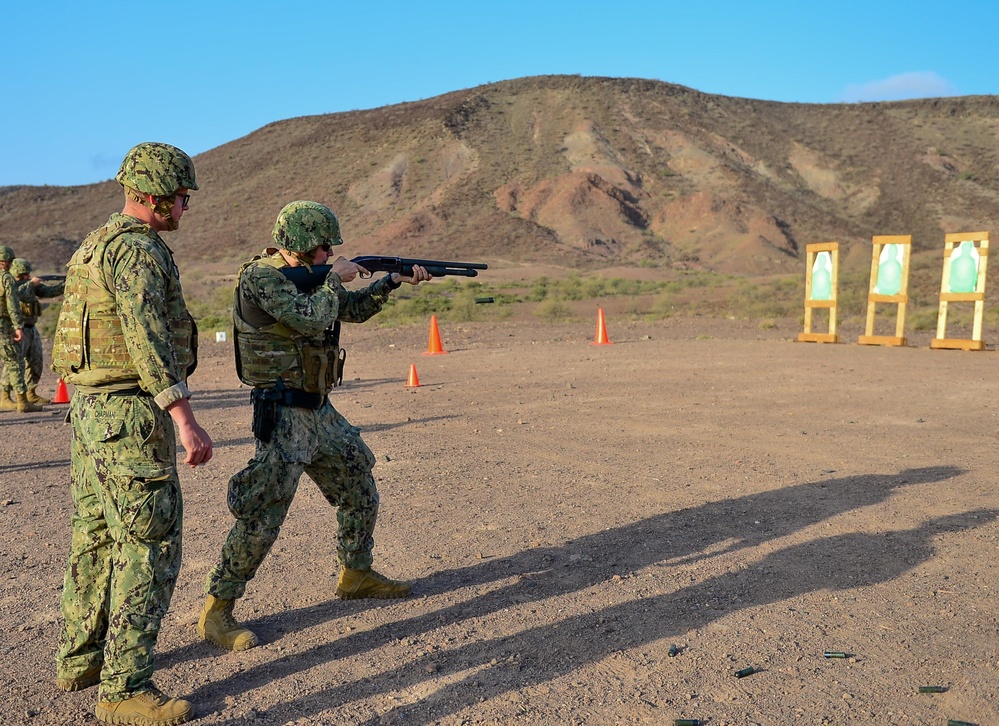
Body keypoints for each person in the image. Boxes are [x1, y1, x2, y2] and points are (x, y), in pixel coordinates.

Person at [197, 200, 430, 652]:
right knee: (264, 511)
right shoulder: (260, 277)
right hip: (283, 412)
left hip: (317, 409)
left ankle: (355, 573)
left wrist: (390, 283)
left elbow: (351, 310)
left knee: (358, 477)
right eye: (324, 248)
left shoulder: (317, 276)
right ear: (302, 246)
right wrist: (332, 277)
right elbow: (311, 316)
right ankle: (217, 611)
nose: (329, 254)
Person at [51, 142, 213, 726]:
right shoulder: (139, 252)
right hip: (128, 414)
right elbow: (148, 338)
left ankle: (82, 656)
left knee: (95, 534)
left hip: (91, 412)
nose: (184, 208)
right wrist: (183, 416)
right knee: (151, 542)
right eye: (179, 197)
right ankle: (124, 690)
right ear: (150, 195)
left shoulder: (94, 244)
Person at [0, 258, 65, 405]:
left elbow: (49, 291)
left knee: (36, 361)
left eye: (27, 275)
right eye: (21, 276)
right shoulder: (10, 285)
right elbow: (15, 294)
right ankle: (5, 395)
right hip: (16, 329)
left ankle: (31, 393)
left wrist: (65, 285)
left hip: (31, 329)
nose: (25, 278)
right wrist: (30, 284)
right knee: (14, 364)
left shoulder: (30, 286)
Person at [0, 244, 42, 413]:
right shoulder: (6, 278)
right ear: (7, 261)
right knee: (15, 362)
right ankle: (22, 402)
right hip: (3, 325)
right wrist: (18, 326)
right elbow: (12, 304)